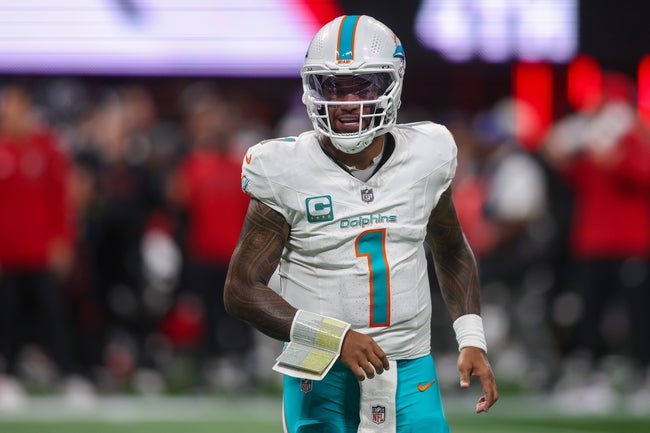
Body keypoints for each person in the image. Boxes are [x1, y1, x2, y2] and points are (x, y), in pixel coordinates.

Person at [224, 15, 498, 432]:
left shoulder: (428, 154)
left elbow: (451, 247)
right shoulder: (283, 168)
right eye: (333, 87)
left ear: (392, 85)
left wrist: (471, 336)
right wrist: (333, 338)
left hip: (408, 362)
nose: (347, 102)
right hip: (319, 368)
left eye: (363, 86)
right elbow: (241, 289)